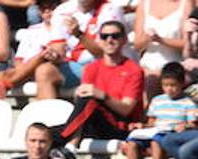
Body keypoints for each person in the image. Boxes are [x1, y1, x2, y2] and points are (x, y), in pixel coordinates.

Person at [54, 20, 144, 148]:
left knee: (90, 99)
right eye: (104, 36)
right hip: (91, 123)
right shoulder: (92, 68)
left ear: (124, 39)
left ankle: (69, 145)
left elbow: (126, 109)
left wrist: (102, 95)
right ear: (99, 40)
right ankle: (67, 145)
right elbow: (82, 101)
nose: (110, 40)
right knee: (42, 133)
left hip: (119, 127)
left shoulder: (134, 70)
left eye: (115, 36)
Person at [121, 60, 198, 159]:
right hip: (156, 131)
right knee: (133, 142)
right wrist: (141, 126)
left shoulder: (188, 102)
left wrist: (185, 126)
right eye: (165, 85)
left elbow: (193, 123)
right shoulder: (157, 100)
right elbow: (152, 123)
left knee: (156, 142)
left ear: (182, 83)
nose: (169, 89)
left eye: (173, 85)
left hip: (170, 135)